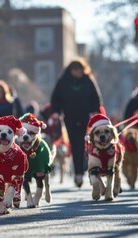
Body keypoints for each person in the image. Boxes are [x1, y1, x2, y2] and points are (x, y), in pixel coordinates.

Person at [50, 58, 104, 188]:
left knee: (85, 144)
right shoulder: (63, 82)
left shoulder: (88, 81)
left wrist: (94, 111)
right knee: (74, 145)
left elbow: (96, 99)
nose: (78, 72)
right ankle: (78, 174)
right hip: (69, 118)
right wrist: (56, 112)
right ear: (70, 71)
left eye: (80, 69)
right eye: (75, 69)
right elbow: (55, 99)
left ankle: (86, 170)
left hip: (86, 118)